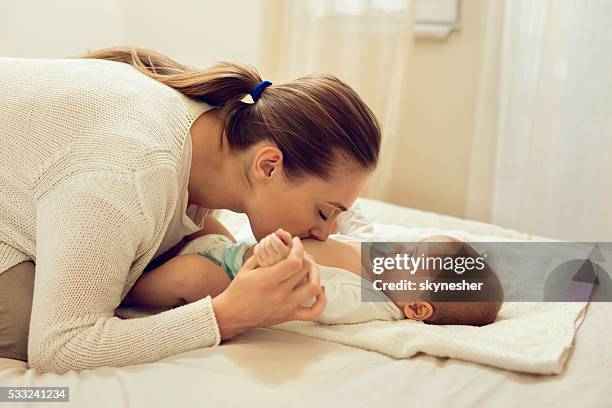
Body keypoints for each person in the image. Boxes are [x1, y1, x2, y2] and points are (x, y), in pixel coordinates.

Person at [0, 46, 382, 373]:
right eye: (322, 213)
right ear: (268, 165)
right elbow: (60, 347)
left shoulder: (209, 137)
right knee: (25, 326)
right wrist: (227, 315)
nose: (327, 233)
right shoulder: (129, 174)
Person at [124, 229, 504, 327]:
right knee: (200, 224)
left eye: (412, 257)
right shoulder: (376, 262)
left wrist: (282, 262)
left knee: (187, 276)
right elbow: (355, 231)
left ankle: (122, 291)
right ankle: (138, 253)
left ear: (417, 307)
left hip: (228, 278)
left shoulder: (365, 301)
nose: (400, 250)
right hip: (231, 248)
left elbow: (311, 296)